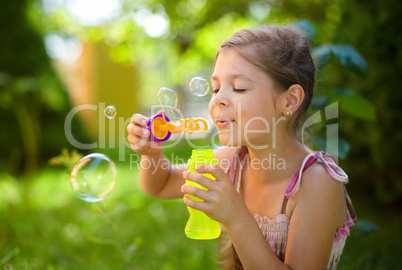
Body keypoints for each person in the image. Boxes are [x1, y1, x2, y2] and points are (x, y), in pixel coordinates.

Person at [127, 25, 356, 270]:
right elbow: (160, 185)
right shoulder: (231, 161)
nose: (218, 99)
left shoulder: (316, 183)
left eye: (239, 88)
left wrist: (235, 216)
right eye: (216, 88)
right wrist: (151, 154)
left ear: (289, 100)